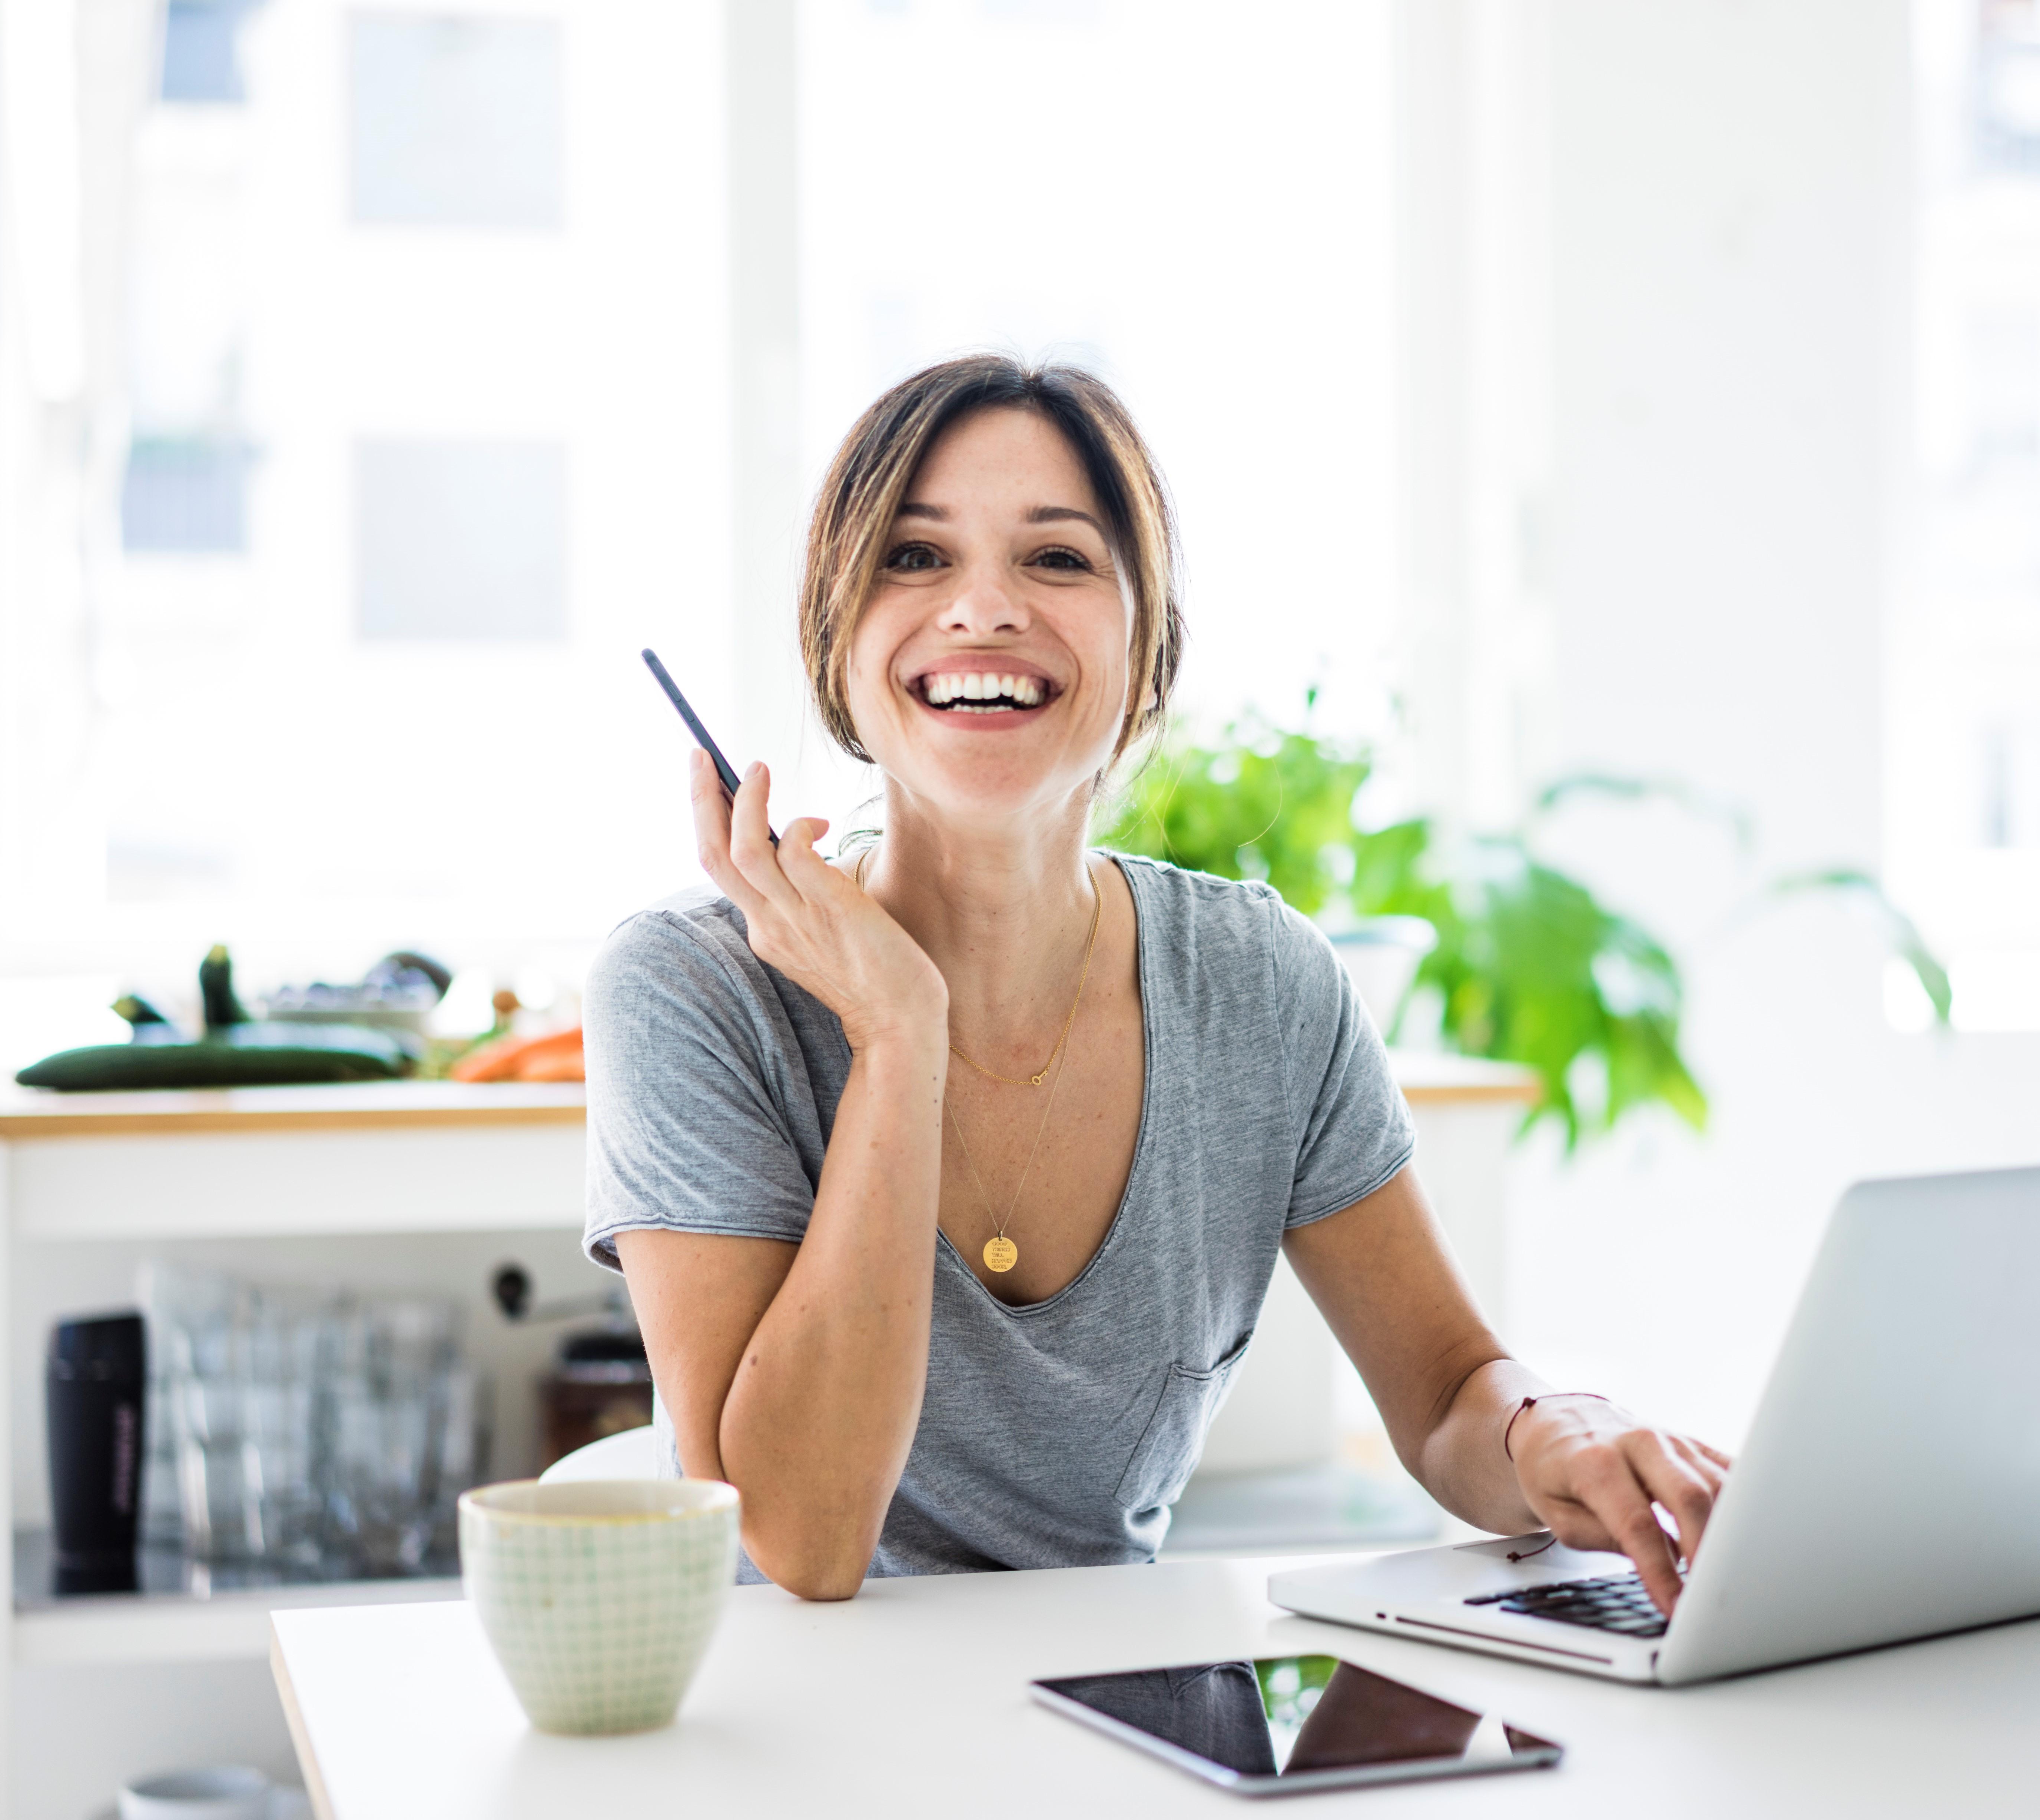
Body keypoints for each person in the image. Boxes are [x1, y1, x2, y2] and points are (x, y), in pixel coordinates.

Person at [585, 354, 1730, 1603]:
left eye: (1059, 559)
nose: (983, 610)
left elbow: (1452, 1391)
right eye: (915, 558)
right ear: (836, 636)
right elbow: (801, 1544)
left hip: (1121, 1705)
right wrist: (897, 1032)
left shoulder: (1262, 986)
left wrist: (1552, 1429)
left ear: (1148, 647)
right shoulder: (689, 992)